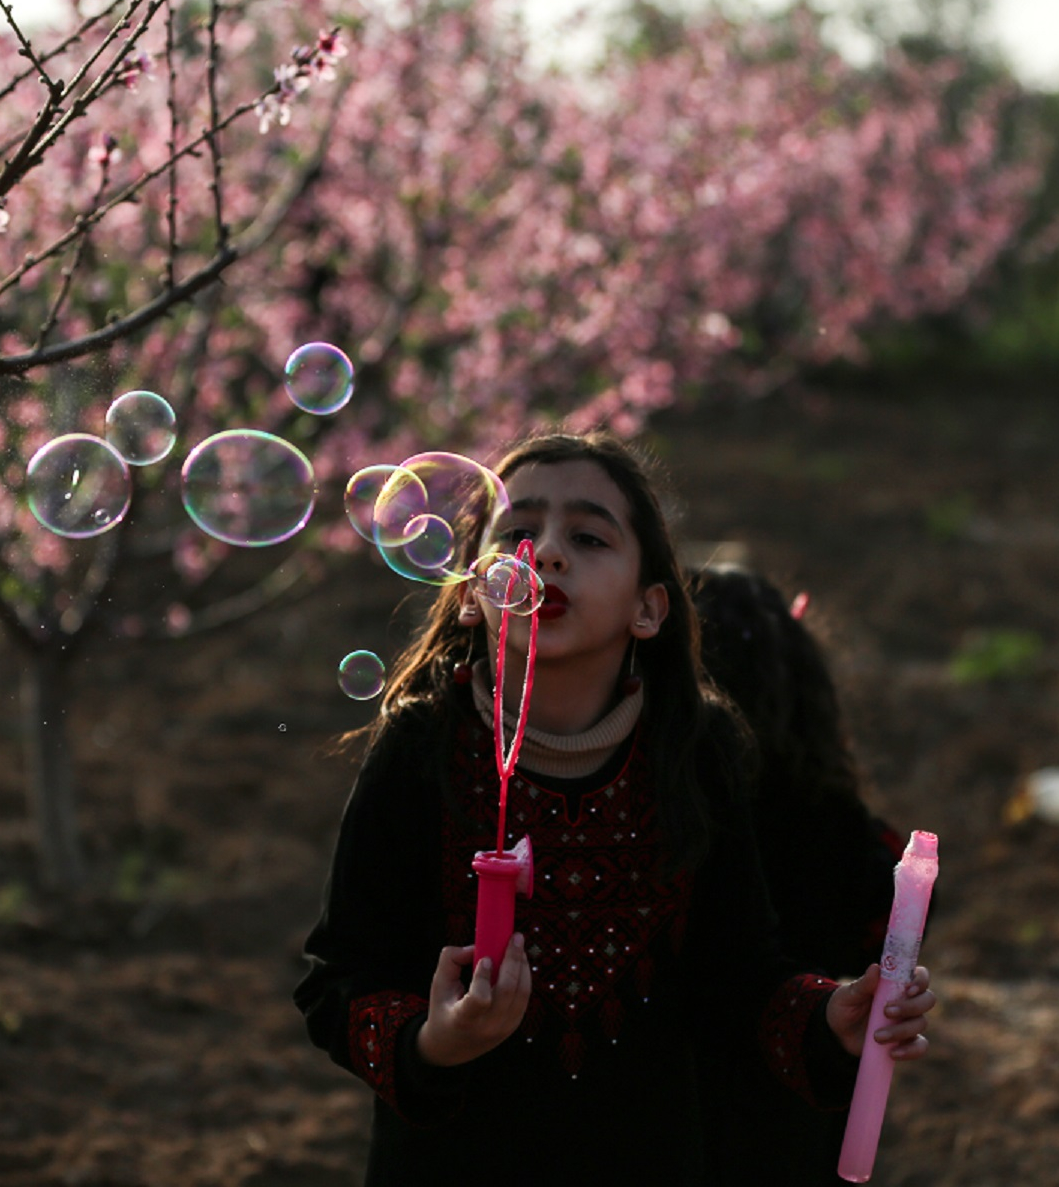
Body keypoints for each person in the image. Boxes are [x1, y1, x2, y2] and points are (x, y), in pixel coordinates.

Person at [295, 431, 935, 1186]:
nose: (549, 554)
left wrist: (832, 1018)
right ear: (471, 594)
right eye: (520, 532)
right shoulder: (420, 746)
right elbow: (337, 981)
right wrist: (434, 1042)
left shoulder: (698, 749)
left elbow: (740, 975)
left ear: (649, 608)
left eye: (589, 536)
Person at [689, 565, 913, 1187]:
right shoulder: (846, 829)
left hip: (691, 1108)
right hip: (803, 1115)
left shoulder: (678, 819)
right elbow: (891, 916)